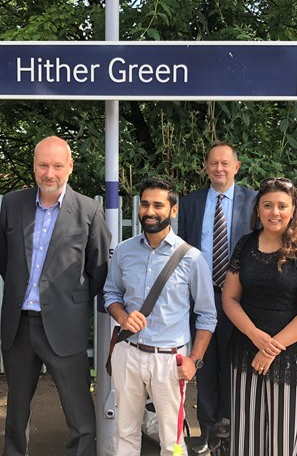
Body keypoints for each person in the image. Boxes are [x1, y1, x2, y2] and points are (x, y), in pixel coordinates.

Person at [0, 135, 111, 456]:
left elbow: (98, 269)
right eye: (43, 165)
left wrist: (67, 301)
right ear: (34, 166)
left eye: (57, 165)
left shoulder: (88, 210)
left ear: (70, 167)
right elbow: (4, 260)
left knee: (79, 413)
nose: (50, 173)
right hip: (19, 326)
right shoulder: (12, 204)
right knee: (16, 411)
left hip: (65, 325)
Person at [104, 177, 217, 456]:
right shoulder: (123, 251)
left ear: (173, 211)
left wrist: (194, 360)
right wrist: (122, 316)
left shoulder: (192, 259)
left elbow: (207, 316)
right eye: (145, 204)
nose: (150, 211)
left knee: (173, 441)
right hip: (127, 352)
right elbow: (110, 295)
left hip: (169, 360)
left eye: (158, 205)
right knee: (125, 432)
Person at [221, 177, 297, 456]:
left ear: (293, 210)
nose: (274, 212)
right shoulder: (245, 245)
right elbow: (230, 298)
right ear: (258, 209)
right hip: (246, 353)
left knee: (285, 444)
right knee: (246, 440)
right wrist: (255, 336)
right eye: (267, 205)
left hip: (293, 358)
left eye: (282, 205)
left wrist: (270, 349)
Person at [177, 141, 257, 454]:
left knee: (236, 365)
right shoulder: (191, 202)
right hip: (202, 297)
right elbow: (181, 250)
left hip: (241, 299)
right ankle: (209, 434)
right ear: (206, 167)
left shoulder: (254, 202)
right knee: (205, 364)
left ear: (237, 166)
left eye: (225, 163)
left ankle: (233, 432)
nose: (219, 169)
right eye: (213, 163)